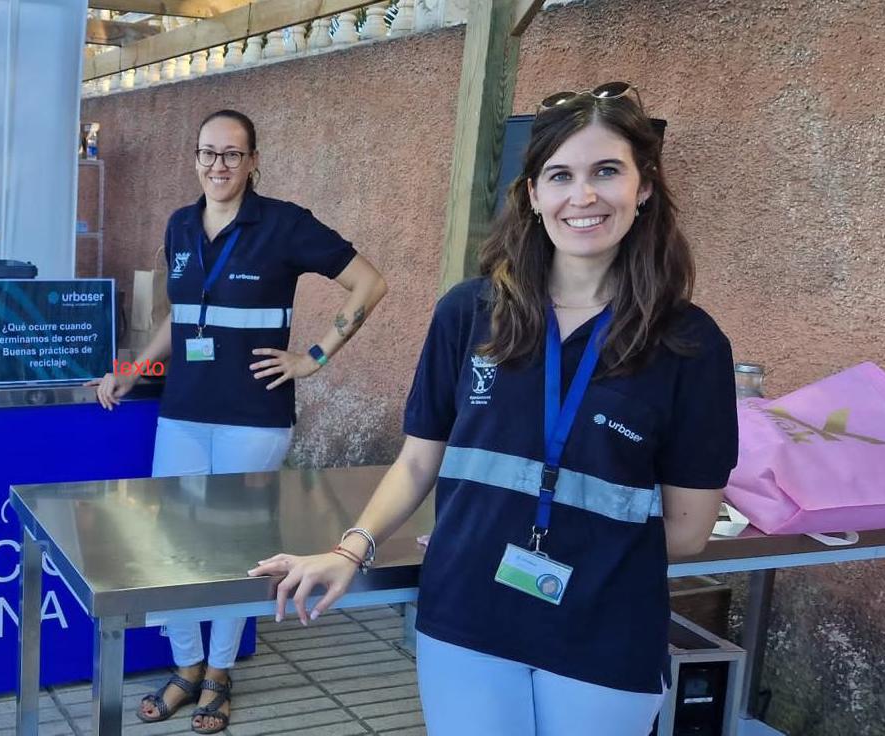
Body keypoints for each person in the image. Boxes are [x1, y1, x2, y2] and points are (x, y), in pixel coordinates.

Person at [249, 83, 738, 736]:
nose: (583, 196)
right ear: (533, 194)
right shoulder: (468, 313)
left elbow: (687, 528)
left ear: (644, 186)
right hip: (468, 615)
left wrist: (562, 545)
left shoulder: (690, 344)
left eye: (607, 172)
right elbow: (419, 461)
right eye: (560, 175)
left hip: (604, 632)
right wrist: (350, 549)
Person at [88, 109, 387, 734]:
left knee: (235, 551)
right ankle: (187, 667)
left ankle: (220, 672)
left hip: (254, 419)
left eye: (231, 154)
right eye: (207, 153)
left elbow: (368, 284)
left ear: (253, 160)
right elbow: (177, 318)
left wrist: (313, 357)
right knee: (169, 545)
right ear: (195, 158)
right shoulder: (179, 225)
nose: (217, 166)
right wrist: (131, 370)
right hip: (184, 415)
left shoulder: (284, 224)